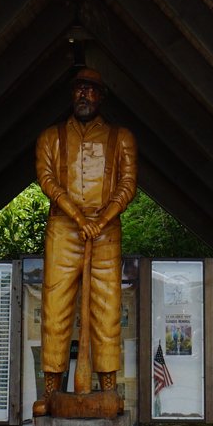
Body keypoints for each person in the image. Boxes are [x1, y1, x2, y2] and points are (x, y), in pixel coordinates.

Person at [35, 67, 137, 399]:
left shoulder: (121, 137)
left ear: (101, 96)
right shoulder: (51, 137)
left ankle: (107, 389)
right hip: (64, 229)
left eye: (91, 89)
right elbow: (47, 180)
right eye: (79, 88)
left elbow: (127, 184)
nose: (83, 94)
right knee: (56, 305)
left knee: (107, 309)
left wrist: (101, 218)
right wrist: (79, 218)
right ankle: (51, 391)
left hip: (105, 231)